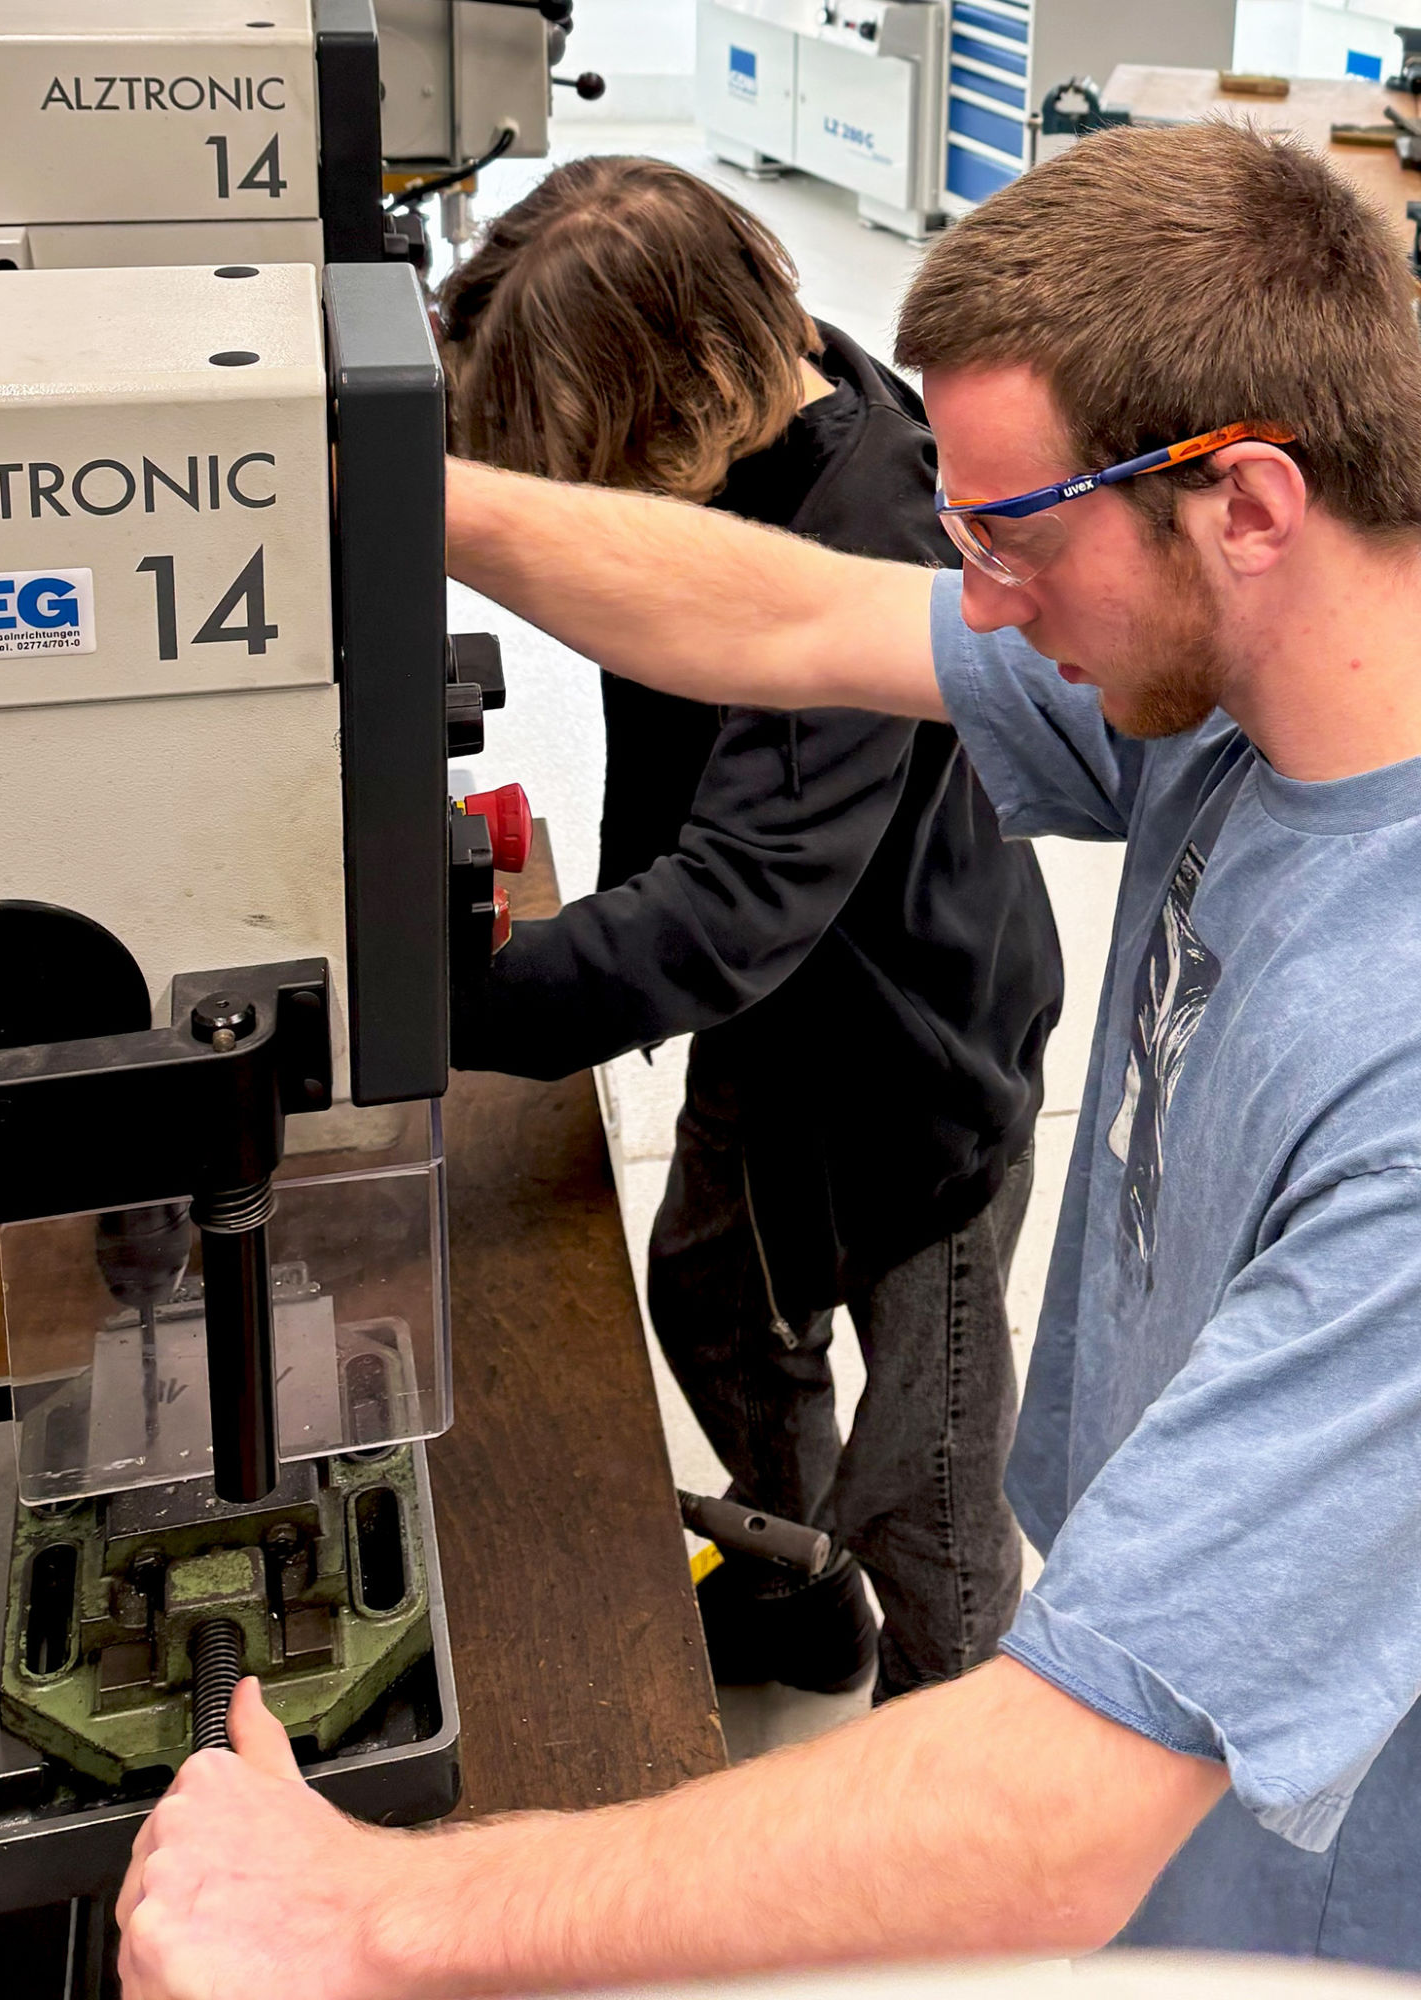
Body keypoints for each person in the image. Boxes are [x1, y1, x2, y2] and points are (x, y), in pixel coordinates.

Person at [116, 123, 1421, 2000]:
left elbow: (1052, 1805)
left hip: (1346, 1929)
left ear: (1250, 504)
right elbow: (791, 612)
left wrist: (367, 1908)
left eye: (1011, 534)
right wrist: (390, 483)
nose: (977, 589)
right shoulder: (1297, 693)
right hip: (1198, 1831)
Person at [434, 159, 1062, 1703]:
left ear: (689, 377)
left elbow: (734, 899)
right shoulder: (747, 406)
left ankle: (954, 1747)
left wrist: (463, 1006)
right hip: (776, 1032)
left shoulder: (869, 539)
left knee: (928, 1495)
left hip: (920, 1082)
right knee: (712, 1300)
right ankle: (799, 1601)